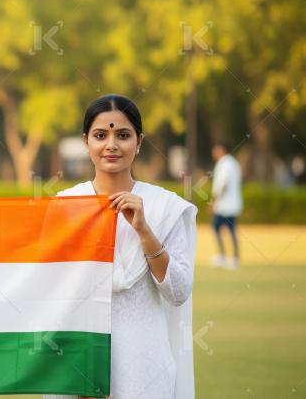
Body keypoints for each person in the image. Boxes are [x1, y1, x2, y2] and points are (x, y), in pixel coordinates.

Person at [45, 95, 197, 399]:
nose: (111, 145)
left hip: (146, 367)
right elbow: (48, 296)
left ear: (139, 142)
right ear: (86, 141)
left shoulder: (164, 208)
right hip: (79, 362)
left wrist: (144, 230)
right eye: (101, 135)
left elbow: (178, 293)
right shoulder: (64, 207)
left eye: (123, 135)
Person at [210, 143, 242, 270]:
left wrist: (215, 201)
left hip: (226, 205)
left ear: (222, 150)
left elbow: (223, 184)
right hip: (228, 204)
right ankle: (224, 257)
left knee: (229, 230)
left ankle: (232, 258)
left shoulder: (226, 163)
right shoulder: (232, 162)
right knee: (219, 227)